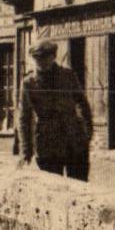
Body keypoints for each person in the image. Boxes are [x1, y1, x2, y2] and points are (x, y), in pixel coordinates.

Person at [18, 38, 94, 180]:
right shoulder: (29, 83)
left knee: (80, 186)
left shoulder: (68, 75)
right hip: (48, 145)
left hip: (75, 141)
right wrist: (26, 150)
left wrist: (87, 132)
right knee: (52, 188)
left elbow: (82, 103)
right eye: (38, 59)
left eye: (46, 58)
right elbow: (24, 117)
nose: (42, 62)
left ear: (54, 57)